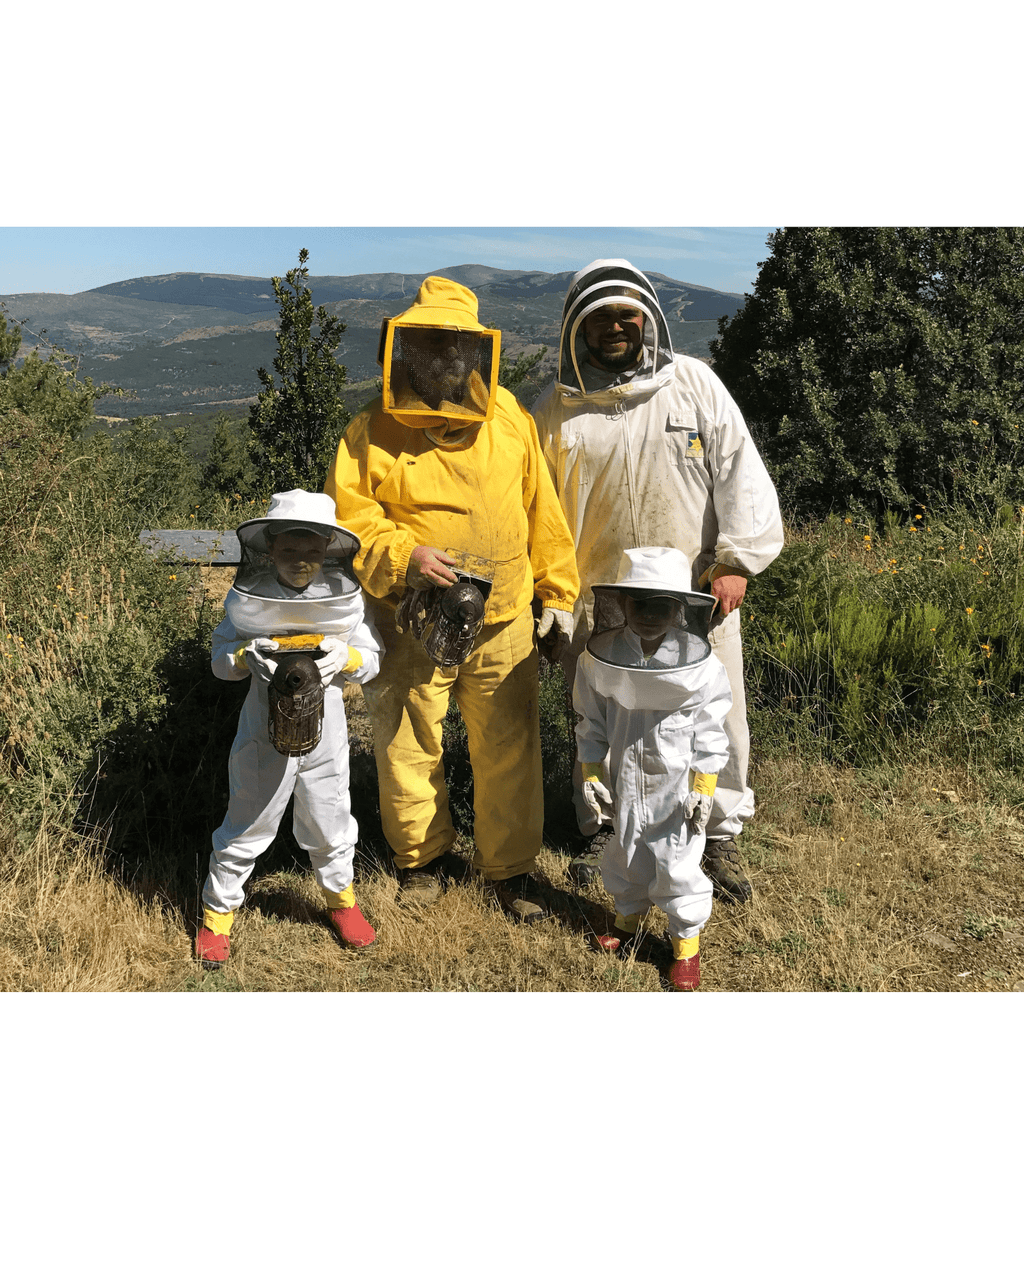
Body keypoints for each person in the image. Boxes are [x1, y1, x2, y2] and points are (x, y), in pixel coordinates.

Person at [325, 276, 579, 922]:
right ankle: (422, 860)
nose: (442, 357)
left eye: (453, 345)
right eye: (430, 343)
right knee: (406, 740)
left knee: (510, 744)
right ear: (406, 350)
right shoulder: (371, 430)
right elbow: (349, 521)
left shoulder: (510, 418)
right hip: (412, 618)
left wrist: (557, 595)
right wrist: (404, 556)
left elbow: (542, 513)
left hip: (504, 619)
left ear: (475, 352)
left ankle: (510, 870)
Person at [532, 259, 784, 901]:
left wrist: (735, 561)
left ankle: (716, 834)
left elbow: (741, 472)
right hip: (597, 600)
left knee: (714, 715)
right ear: (577, 326)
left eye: (627, 315)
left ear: (647, 318)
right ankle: (605, 828)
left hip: (696, 596)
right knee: (602, 718)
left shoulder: (693, 384)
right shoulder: (554, 412)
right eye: (601, 318)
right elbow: (535, 511)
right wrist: (549, 595)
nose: (616, 327)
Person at [194, 490, 383, 969]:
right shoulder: (251, 599)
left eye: (312, 550)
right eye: (290, 549)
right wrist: (243, 656)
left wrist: (349, 657)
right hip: (262, 728)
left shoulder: (342, 598)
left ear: (327, 550)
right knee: (248, 818)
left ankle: (342, 902)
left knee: (329, 815)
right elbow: (219, 660)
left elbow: (372, 658)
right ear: (271, 548)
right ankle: (217, 916)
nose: (301, 560)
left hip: (328, 726)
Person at [574, 547, 731, 991]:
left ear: (679, 608)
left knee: (677, 862)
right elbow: (590, 721)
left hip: (677, 787)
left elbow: (712, 732)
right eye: (639, 603)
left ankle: (685, 946)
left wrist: (704, 787)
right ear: (621, 604)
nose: (648, 614)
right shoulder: (599, 658)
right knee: (627, 851)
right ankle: (628, 922)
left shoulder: (701, 665)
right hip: (625, 778)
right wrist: (591, 774)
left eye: (661, 604)